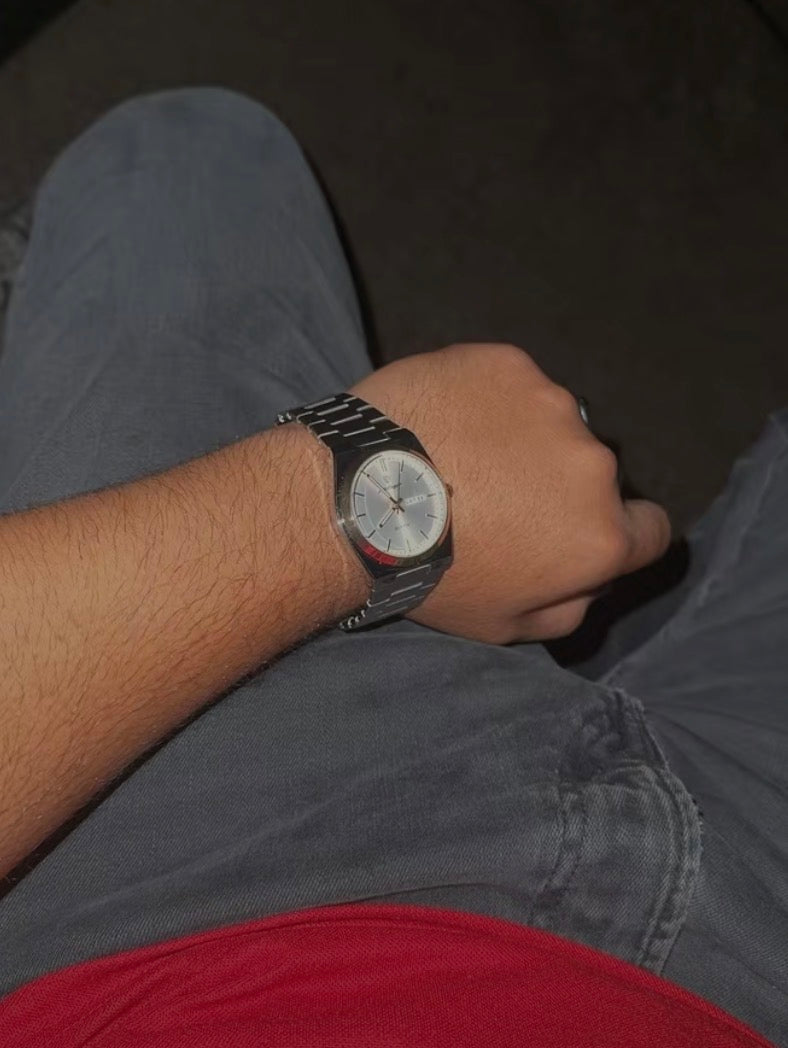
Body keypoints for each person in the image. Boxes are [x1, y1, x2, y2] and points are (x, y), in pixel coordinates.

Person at [0, 88, 784, 1047]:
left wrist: (323, 513)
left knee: (184, 153)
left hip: (155, 919)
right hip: (750, 973)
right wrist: (355, 498)